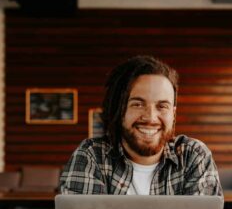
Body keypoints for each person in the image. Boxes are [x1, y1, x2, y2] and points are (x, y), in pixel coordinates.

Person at [60, 55, 222, 196]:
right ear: (119, 108)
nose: (151, 117)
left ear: (173, 114)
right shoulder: (91, 157)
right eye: (138, 104)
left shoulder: (194, 156)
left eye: (162, 106)